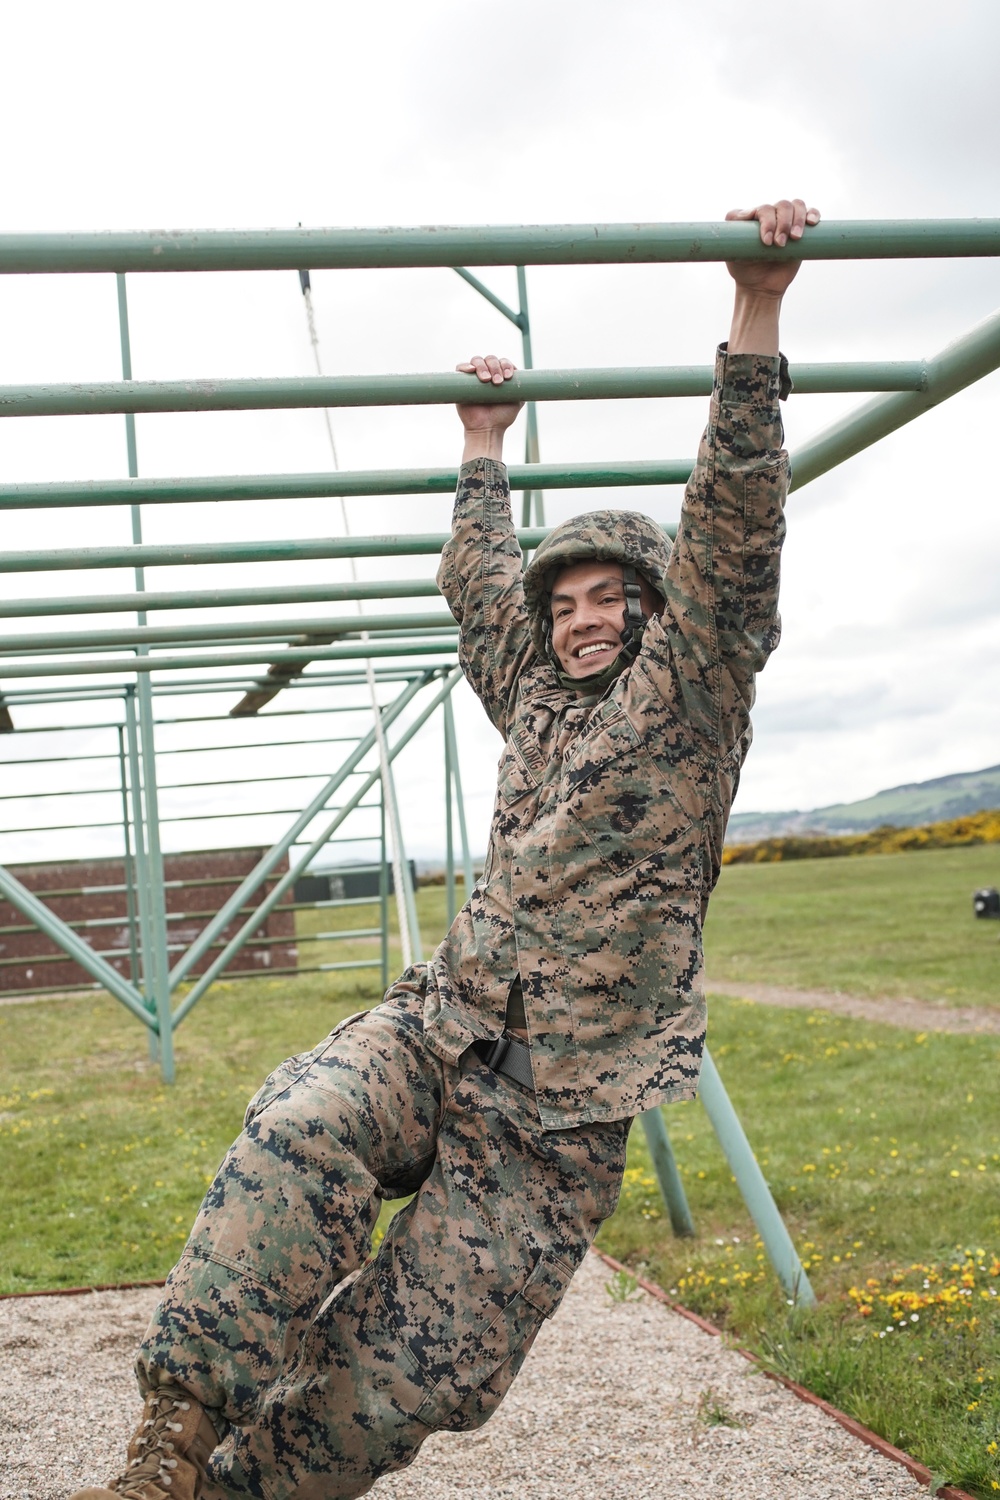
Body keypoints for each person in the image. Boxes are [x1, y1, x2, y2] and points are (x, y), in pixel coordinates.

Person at [70, 197, 820, 1500]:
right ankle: (167, 1443)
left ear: (659, 609)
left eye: (609, 600)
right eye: (567, 602)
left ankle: (232, 1491)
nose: (582, 620)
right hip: (442, 1024)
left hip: (562, 1107)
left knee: (417, 1380)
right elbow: (483, 593)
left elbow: (733, 537)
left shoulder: (691, 698)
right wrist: (484, 446)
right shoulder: (535, 705)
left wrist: (755, 315)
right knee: (301, 1125)